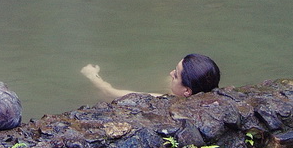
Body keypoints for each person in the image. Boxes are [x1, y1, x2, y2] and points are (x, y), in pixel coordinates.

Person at [80, 53, 220, 100]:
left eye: (175, 75)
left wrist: (92, 75)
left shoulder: (167, 101)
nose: (171, 73)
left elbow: (109, 93)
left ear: (187, 91)